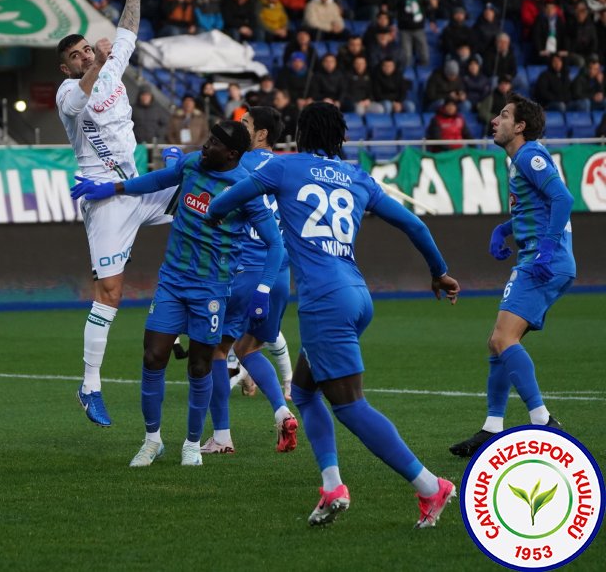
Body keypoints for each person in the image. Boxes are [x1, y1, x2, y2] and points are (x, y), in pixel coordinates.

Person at [206, 101, 460, 528]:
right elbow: (416, 225)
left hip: (325, 301)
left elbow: (224, 202)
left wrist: (213, 212)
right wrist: (439, 273)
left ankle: (431, 487)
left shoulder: (284, 168)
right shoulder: (358, 177)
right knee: (304, 392)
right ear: (339, 138)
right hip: (357, 294)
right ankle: (331, 486)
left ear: (301, 134)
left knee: (351, 407)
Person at [69, 121, 282, 467]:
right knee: (153, 356)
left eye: (214, 142)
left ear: (231, 153)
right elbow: (156, 181)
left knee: (199, 365)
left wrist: (262, 288)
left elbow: (275, 243)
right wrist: (112, 188)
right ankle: (152, 440)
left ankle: (192, 443)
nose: (206, 145)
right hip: (172, 281)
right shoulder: (193, 164)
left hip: (212, 288)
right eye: (208, 138)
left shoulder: (246, 188)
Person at [56, 0, 174, 428]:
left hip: (141, 187)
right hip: (104, 199)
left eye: (87, 49)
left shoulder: (111, 65)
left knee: (205, 206)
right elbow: (84, 92)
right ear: (66, 67)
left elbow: (128, 27)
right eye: (76, 55)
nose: (85, 55)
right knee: (110, 290)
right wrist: (98, 64)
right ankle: (89, 385)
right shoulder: (68, 95)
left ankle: (191, 314)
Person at [449, 94, 574, 458]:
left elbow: (563, 199)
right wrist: (503, 230)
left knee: (504, 341)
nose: (495, 120)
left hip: (542, 259)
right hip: (538, 255)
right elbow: (538, 206)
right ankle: (492, 428)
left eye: (504, 115)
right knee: (497, 343)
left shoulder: (527, 155)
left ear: (520, 126)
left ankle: (543, 423)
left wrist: (548, 248)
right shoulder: (519, 160)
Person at [202, 106, 296, 456]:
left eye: (245, 125)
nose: (239, 130)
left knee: (217, 349)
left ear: (261, 135)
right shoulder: (286, 168)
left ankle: (222, 437)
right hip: (280, 275)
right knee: (249, 348)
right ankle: (282, 411)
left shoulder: (238, 166)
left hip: (245, 271)